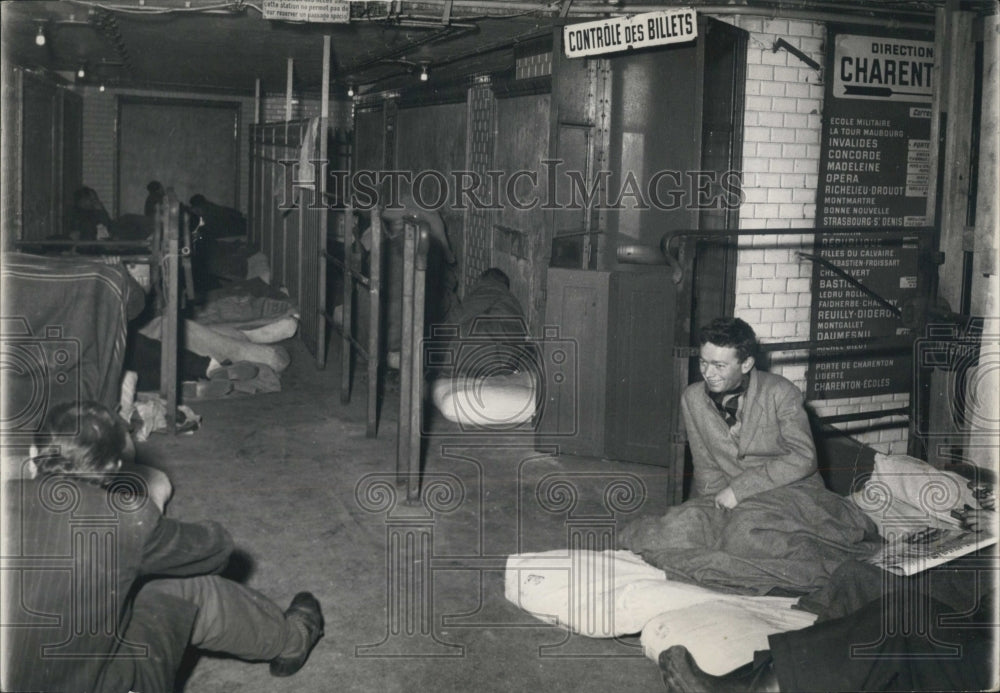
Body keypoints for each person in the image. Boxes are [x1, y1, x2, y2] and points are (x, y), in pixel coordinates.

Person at [2, 401, 324, 692]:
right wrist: (144, 514)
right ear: (115, 469)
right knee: (189, 589)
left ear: (32, 454)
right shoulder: (125, 520)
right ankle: (292, 640)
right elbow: (217, 550)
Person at [618, 317, 879, 595]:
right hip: (732, 497)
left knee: (744, 534)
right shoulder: (692, 398)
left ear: (746, 364)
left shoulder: (780, 392)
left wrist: (740, 490)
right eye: (704, 362)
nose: (708, 373)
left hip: (792, 491)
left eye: (719, 365)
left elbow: (803, 458)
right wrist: (708, 510)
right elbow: (706, 464)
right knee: (665, 530)